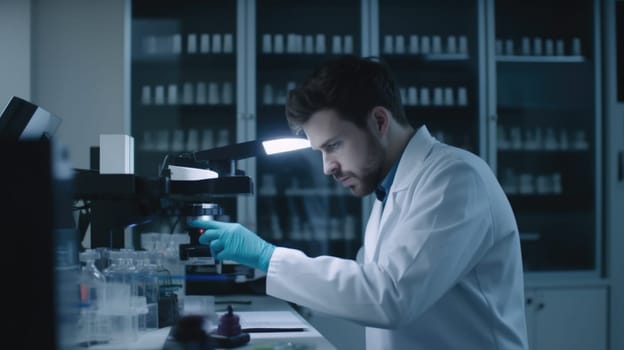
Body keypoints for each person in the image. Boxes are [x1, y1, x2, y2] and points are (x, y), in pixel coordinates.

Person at [189, 55, 529, 349]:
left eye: (333, 145)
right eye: (320, 151)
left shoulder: (455, 179)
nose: (327, 168)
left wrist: (267, 257)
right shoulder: (389, 190)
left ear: (379, 122)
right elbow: (362, 289)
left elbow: (389, 298)